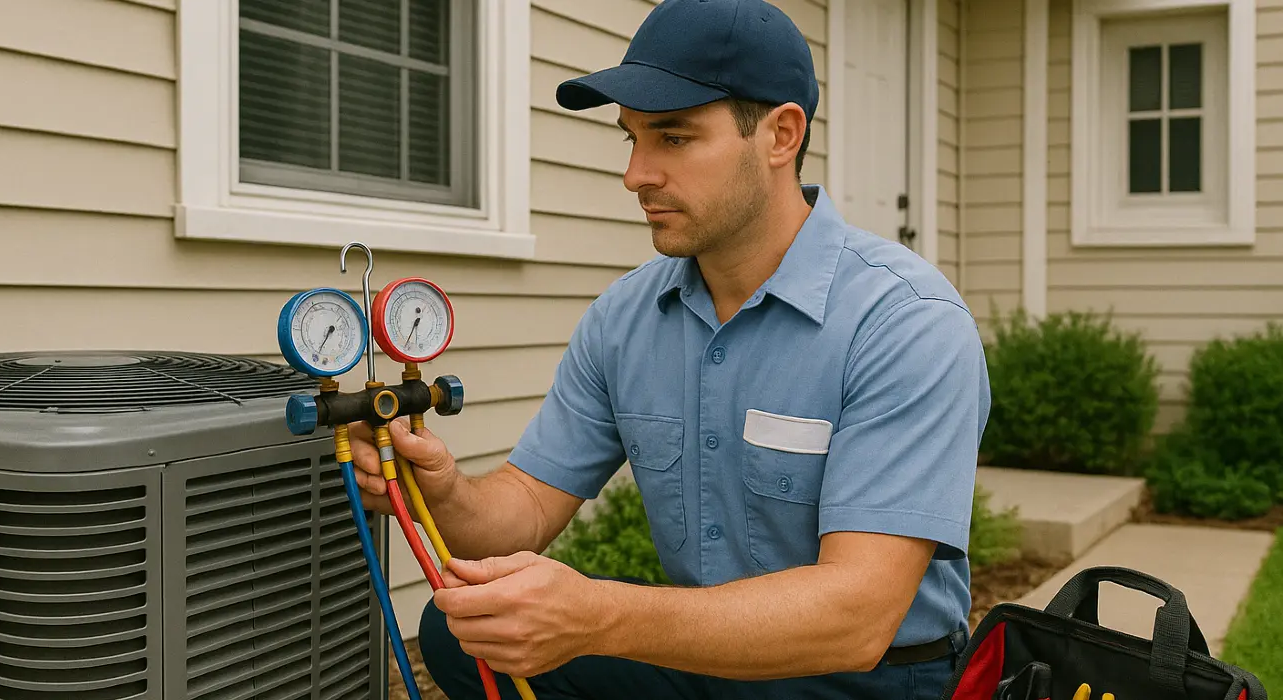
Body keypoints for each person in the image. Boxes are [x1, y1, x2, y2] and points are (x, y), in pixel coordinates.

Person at [344, 0, 992, 697]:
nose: (636, 175)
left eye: (674, 139)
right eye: (631, 139)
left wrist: (600, 617)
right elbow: (526, 509)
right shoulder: (626, 317)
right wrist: (441, 492)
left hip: (863, 678)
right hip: (705, 653)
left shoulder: (903, 321)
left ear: (780, 135)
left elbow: (856, 618)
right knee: (461, 630)